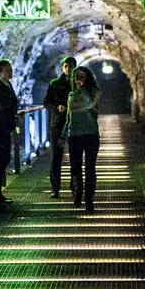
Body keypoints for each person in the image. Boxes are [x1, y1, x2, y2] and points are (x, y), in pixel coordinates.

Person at [60, 66, 101, 212]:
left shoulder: (94, 93)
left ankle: (89, 199)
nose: (79, 79)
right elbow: (69, 117)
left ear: (88, 78)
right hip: (74, 135)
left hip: (90, 134)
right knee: (75, 168)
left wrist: (82, 91)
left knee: (90, 168)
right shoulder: (71, 95)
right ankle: (78, 192)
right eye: (77, 76)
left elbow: (90, 103)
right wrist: (63, 135)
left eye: (82, 77)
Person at [42, 56, 77, 198]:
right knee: (56, 156)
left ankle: (74, 186)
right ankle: (55, 188)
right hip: (58, 125)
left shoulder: (78, 83)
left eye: (71, 66)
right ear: (62, 67)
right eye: (66, 66)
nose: (68, 69)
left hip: (75, 125)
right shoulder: (55, 83)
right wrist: (57, 107)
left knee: (75, 156)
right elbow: (46, 102)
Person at [0, 59, 17, 205]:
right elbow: (3, 107)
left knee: (3, 160)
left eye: (11, 70)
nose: (10, 73)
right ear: (0, 72)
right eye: (7, 71)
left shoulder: (6, 84)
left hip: (4, 128)